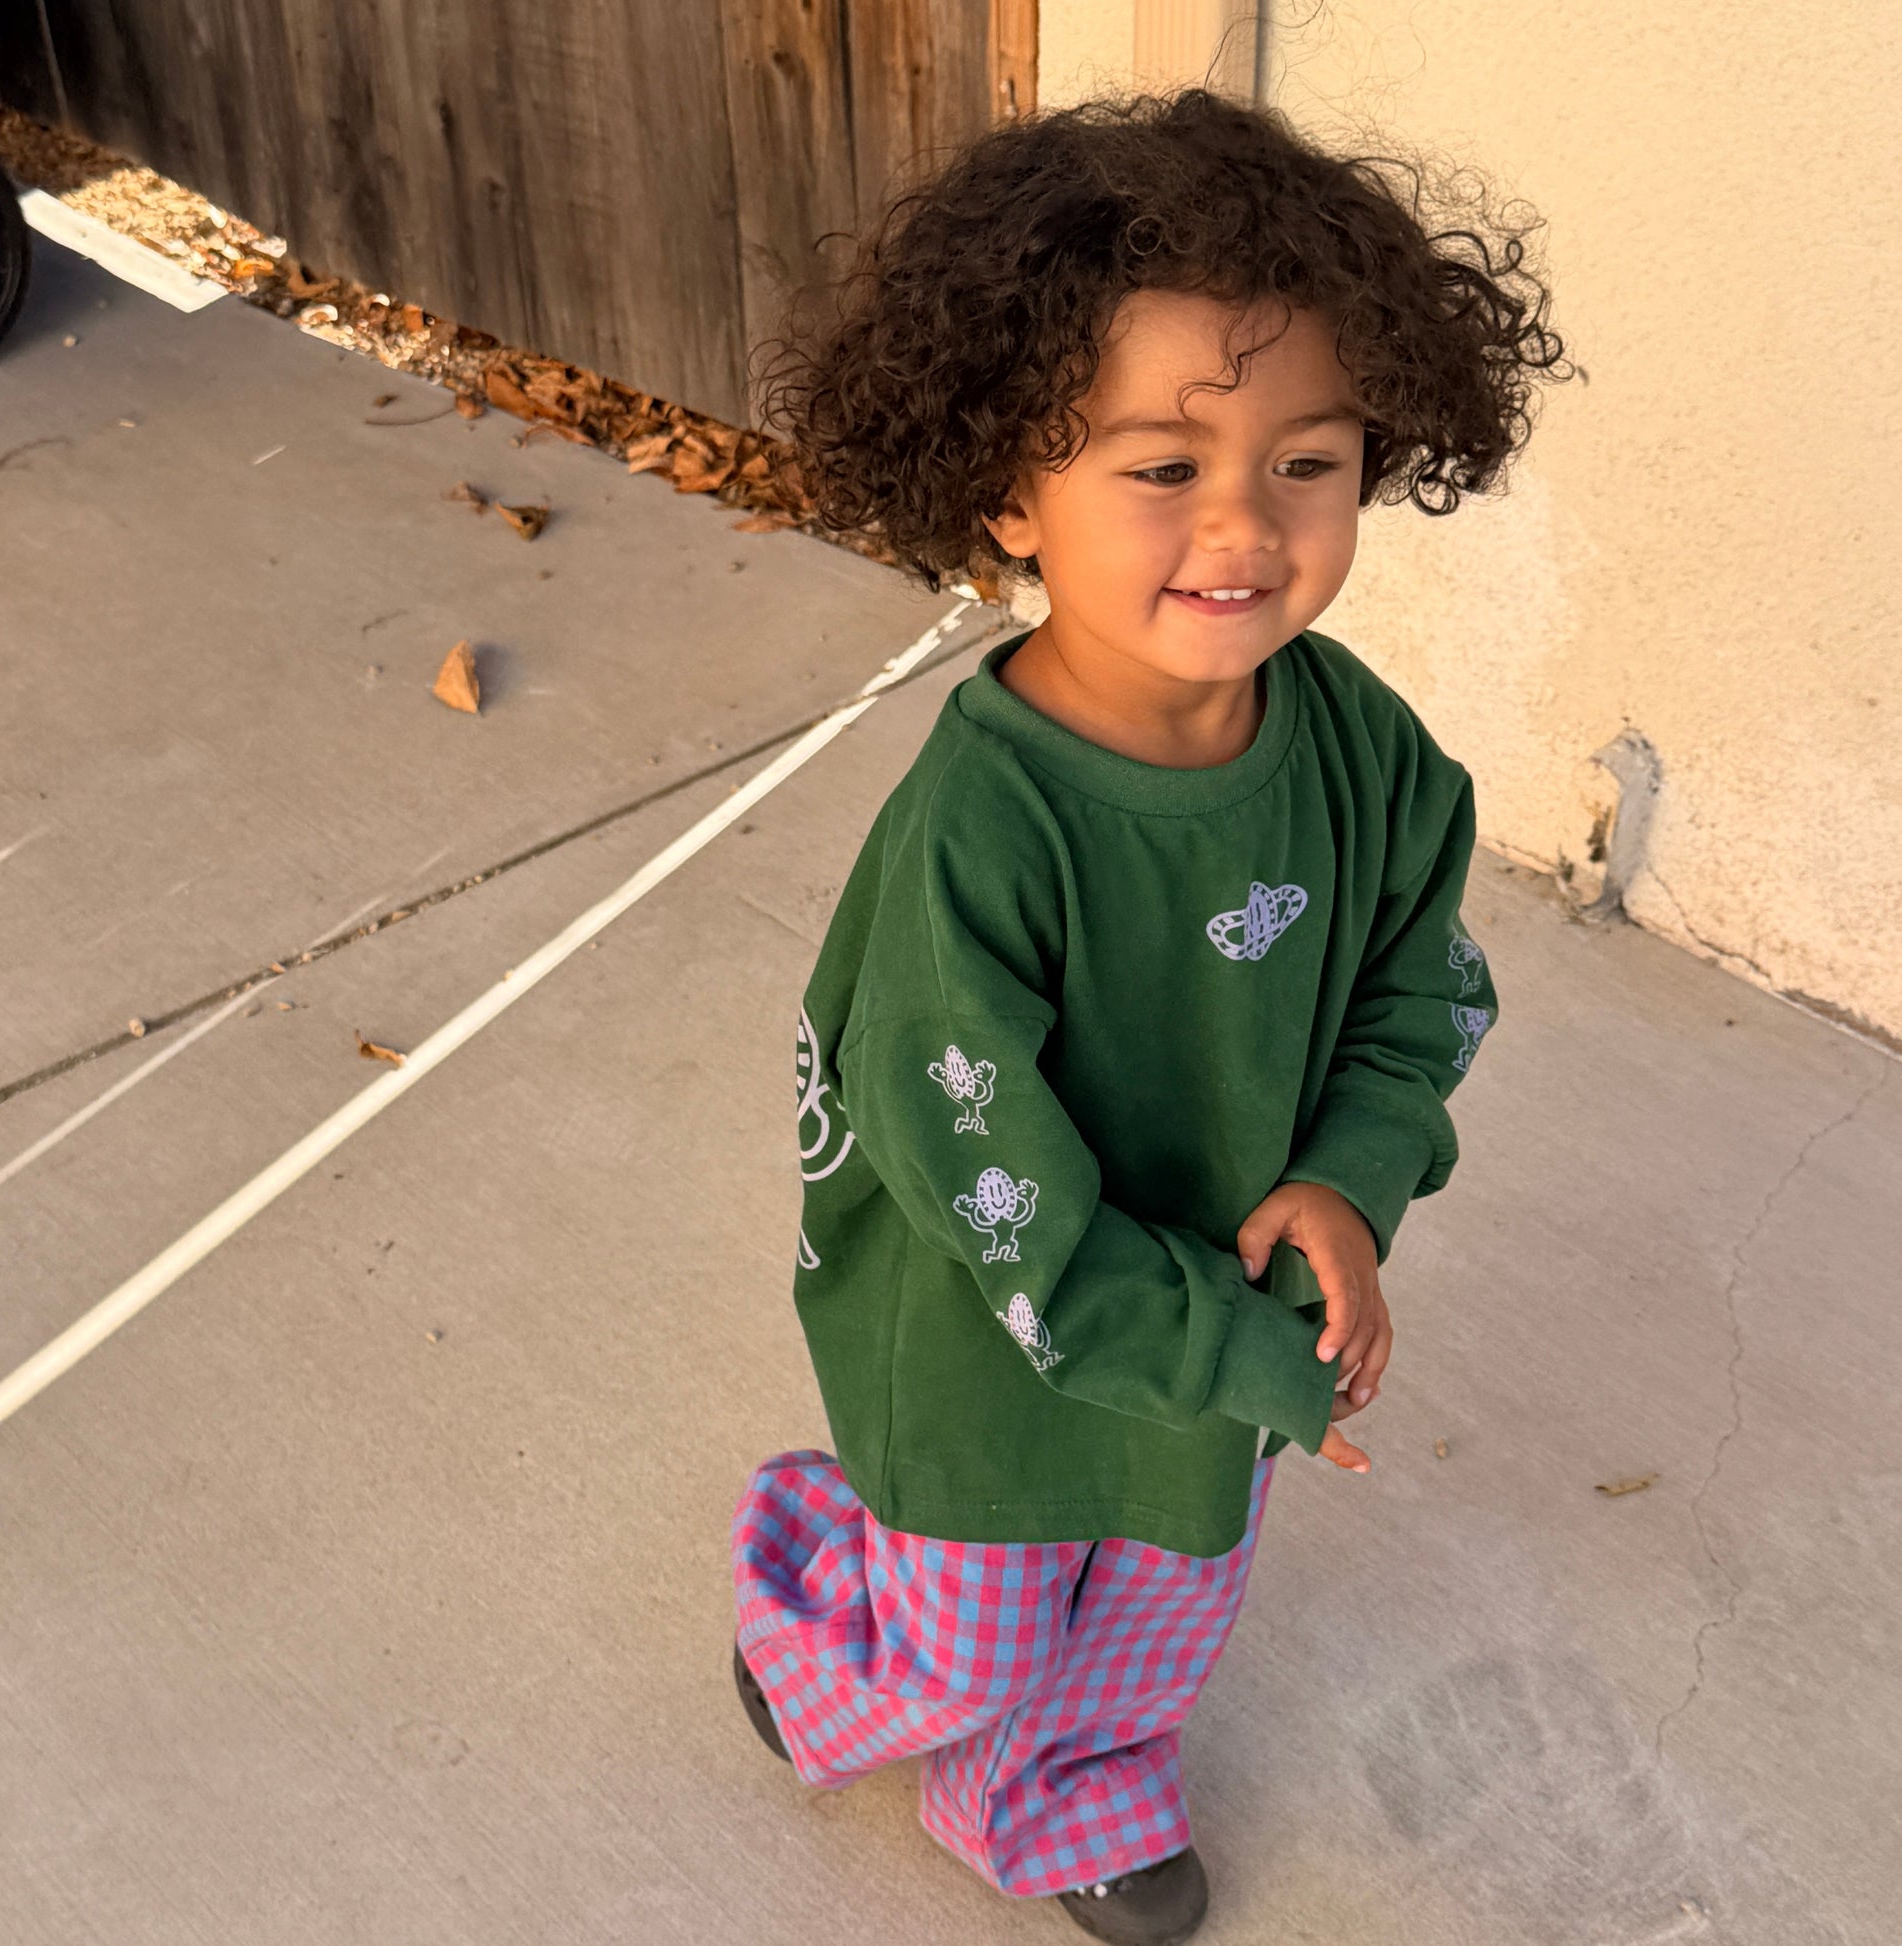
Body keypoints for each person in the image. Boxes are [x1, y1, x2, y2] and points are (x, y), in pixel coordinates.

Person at [729, 88, 1576, 1944]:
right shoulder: (986, 825)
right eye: (1160, 465)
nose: (1243, 524)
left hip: (1221, 1311)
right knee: (963, 1645)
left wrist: (1351, 1178)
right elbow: (984, 1174)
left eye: (1305, 460)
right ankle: (817, 1600)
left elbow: (1419, 982)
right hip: (989, 1332)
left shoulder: (1357, 746)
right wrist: (1229, 1354)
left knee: (1156, 1612)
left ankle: (1052, 1798)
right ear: (1005, 490)